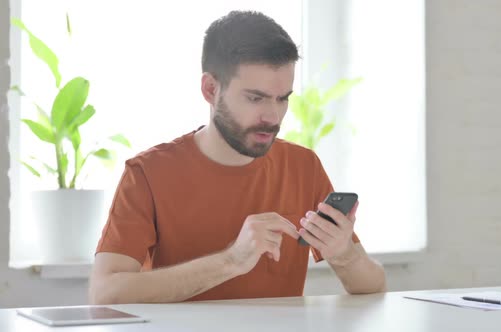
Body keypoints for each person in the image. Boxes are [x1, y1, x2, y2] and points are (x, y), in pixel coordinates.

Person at [89, 10, 386, 304]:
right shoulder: (148, 173)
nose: (273, 116)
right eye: (255, 98)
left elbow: (372, 287)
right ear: (210, 89)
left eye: (282, 99)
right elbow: (105, 293)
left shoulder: (303, 166)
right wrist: (231, 260)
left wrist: (343, 252)